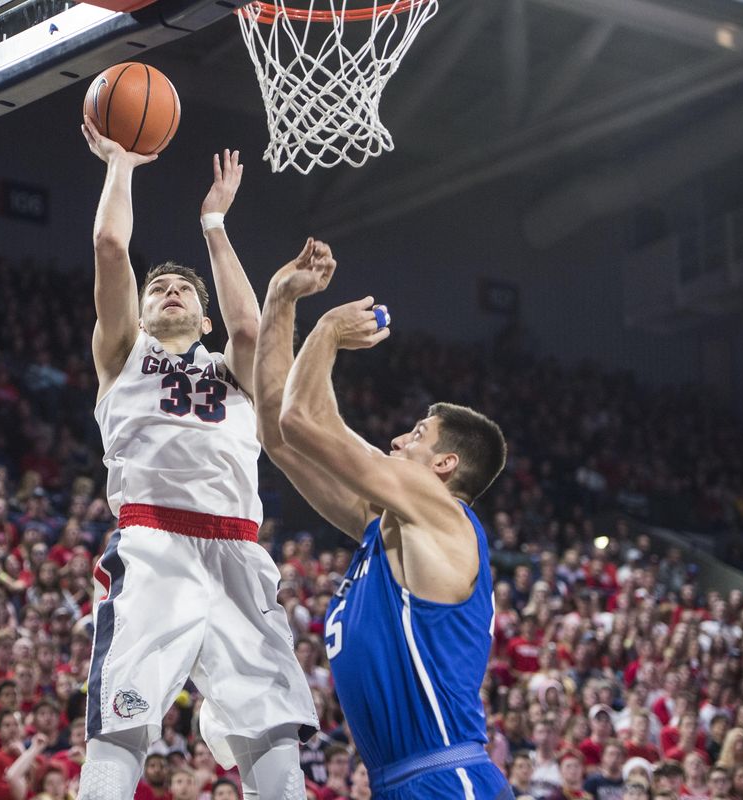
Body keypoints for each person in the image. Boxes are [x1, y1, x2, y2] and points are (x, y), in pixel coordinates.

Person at [76, 118, 315, 799]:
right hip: (155, 544)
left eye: (184, 290)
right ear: (144, 315)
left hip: (238, 546)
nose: (171, 291)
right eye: (159, 290)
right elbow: (109, 245)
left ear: (201, 321)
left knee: (269, 725)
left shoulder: (231, 366)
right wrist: (120, 165)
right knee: (122, 717)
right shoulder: (125, 354)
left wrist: (214, 224)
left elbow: (250, 326)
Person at [253, 239, 510, 798]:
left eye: (417, 434)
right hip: (396, 782)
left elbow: (301, 419)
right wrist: (279, 299)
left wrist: (326, 332)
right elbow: (276, 432)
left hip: (447, 780)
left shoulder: (442, 512)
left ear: (445, 465)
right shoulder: (390, 530)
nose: (397, 438)